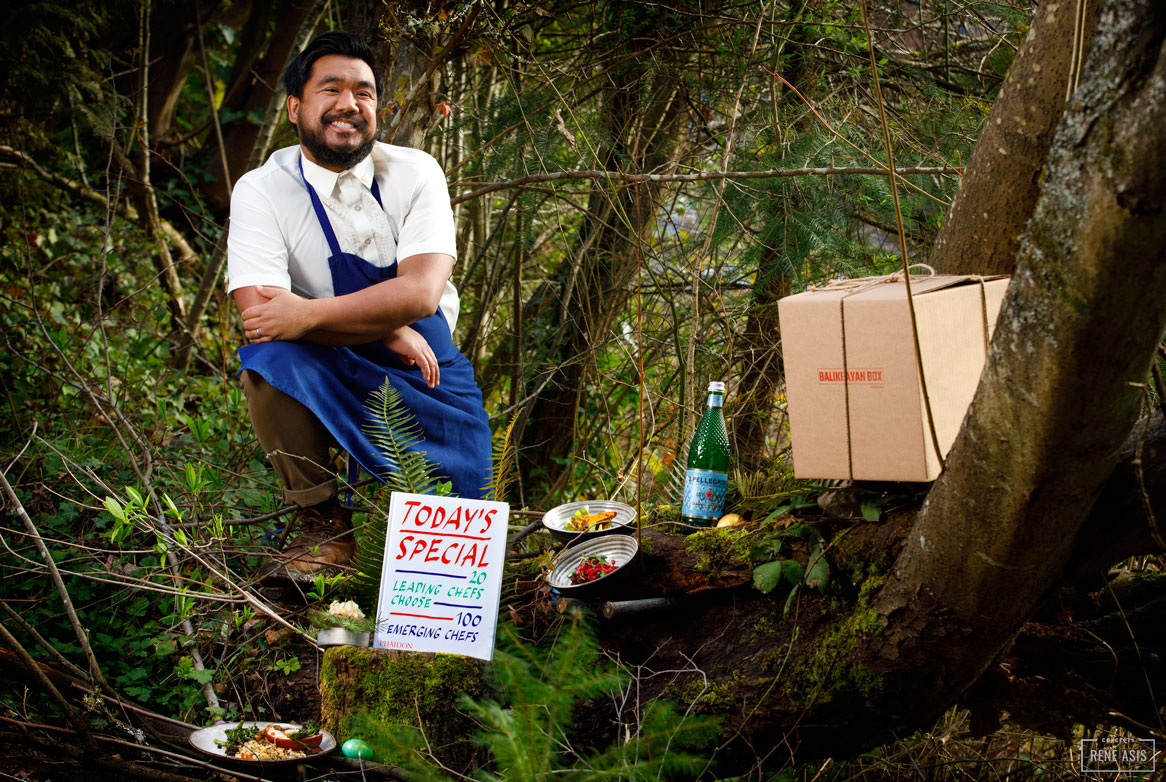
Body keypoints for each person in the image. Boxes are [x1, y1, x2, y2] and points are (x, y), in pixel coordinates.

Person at [226, 31, 491, 582]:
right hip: (326, 362)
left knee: (450, 564)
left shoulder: (417, 172)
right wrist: (384, 327)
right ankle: (321, 523)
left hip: (425, 368)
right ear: (296, 107)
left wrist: (313, 314)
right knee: (269, 366)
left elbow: (419, 293)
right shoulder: (261, 189)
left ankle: (432, 612)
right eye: (332, 89)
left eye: (364, 92)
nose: (349, 104)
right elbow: (262, 318)